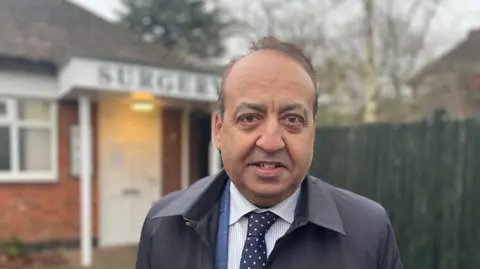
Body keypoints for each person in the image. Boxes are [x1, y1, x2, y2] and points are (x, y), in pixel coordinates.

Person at [135, 36, 403, 269]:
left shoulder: (368, 231)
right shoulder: (164, 225)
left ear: (313, 131)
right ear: (218, 130)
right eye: (250, 118)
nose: (271, 142)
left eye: (293, 119)